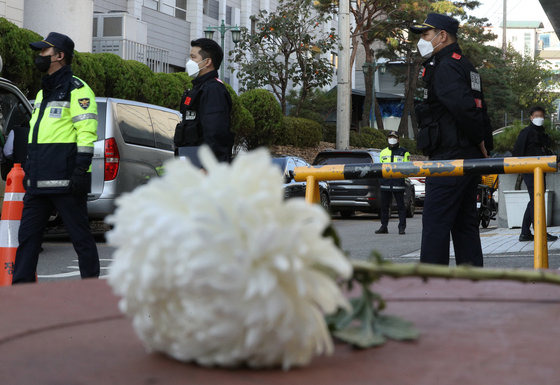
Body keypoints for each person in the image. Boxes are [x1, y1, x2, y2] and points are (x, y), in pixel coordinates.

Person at [12, 32, 100, 283]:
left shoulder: (78, 91)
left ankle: (92, 289)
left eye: (44, 52)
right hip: (38, 180)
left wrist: (79, 172)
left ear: (59, 56)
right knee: (27, 239)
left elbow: (86, 134)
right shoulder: (42, 93)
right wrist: (29, 170)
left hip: (66, 181)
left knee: (80, 237)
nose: (39, 56)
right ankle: (21, 292)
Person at [411, 13, 493, 267]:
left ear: (442, 36)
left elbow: (464, 109)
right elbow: (479, 108)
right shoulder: (464, 65)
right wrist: (482, 146)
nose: (422, 40)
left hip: (450, 155)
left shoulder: (445, 66)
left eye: (426, 34)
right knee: (464, 222)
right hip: (466, 155)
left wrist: (480, 141)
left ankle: (432, 286)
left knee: (436, 221)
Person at [174, 38, 234, 163]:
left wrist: (208, 167)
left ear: (207, 62)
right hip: (191, 162)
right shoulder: (198, 89)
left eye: (193, 57)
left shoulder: (214, 90)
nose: (189, 62)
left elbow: (216, 133)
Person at [512, 106, 558, 242]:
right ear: (531, 117)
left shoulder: (542, 133)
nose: (540, 118)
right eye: (537, 115)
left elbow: (546, 151)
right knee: (536, 200)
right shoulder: (526, 132)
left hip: (540, 171)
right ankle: (540, 232)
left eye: (542, 116)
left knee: (534, 200)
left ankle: (525, 233)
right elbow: (517, 153)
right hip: (530, 171)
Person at [375, 131, 410, 235]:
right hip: (385, 183)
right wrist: (381, 180)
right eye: (390, 137)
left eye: (394, 137)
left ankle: (402, 227)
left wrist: (401, 178)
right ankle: (384, 226)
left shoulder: (404, 152)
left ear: (398, 139)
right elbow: (380, 168)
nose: (392, 139)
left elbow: (407, 168)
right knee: (384, 206)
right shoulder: (383, 152)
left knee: (401, 207)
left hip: (398, 183)